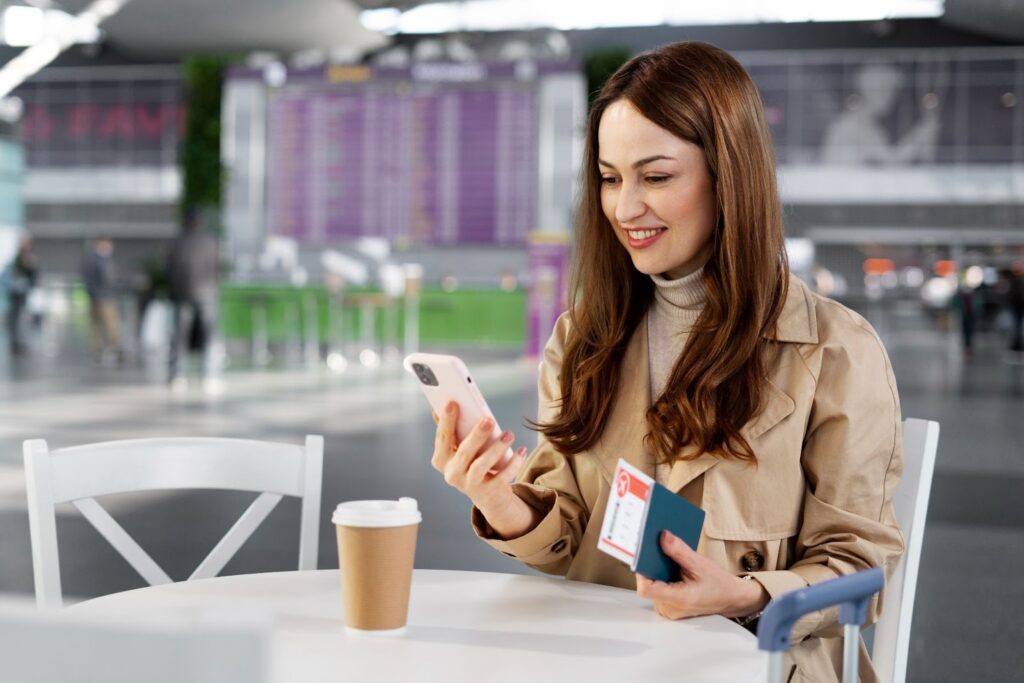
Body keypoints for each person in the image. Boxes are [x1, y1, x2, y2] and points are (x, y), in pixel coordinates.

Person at [430, 43, 903, 683]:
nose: (625, 208)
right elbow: (564, 534)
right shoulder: (581, 341)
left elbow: (861, 572)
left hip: (762, 666)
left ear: (728, 176)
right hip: (605, 664)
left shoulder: (835, 350)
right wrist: (499, 499)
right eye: (609, 177)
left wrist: (744, 595)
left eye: (655, 178)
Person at [166, 208, 219, 388]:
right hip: (206, 295)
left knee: (180, 338)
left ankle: (178, 375)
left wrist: (173, 294)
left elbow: (170, 271)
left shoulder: (177, 242)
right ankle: (209, 375)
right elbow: (216, 269)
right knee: (208, 337)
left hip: (182, 296)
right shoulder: (211, 242)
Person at [81, 236, 123, 363]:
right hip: (101, 297)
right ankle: (103, 350)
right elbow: (89, 279)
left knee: (105, 326)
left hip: (107, 296)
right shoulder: (93, 259)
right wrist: (95, 295)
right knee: (105, 326)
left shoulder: (106, 259)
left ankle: (111, 350)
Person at [4, 235, 38, 356]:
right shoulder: (16, 258)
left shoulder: (29, 259)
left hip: (23, 294)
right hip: (15, 294)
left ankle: (21, 343)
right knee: (15, 320)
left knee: (23, 320)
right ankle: (15, 344)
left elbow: (33, 276)